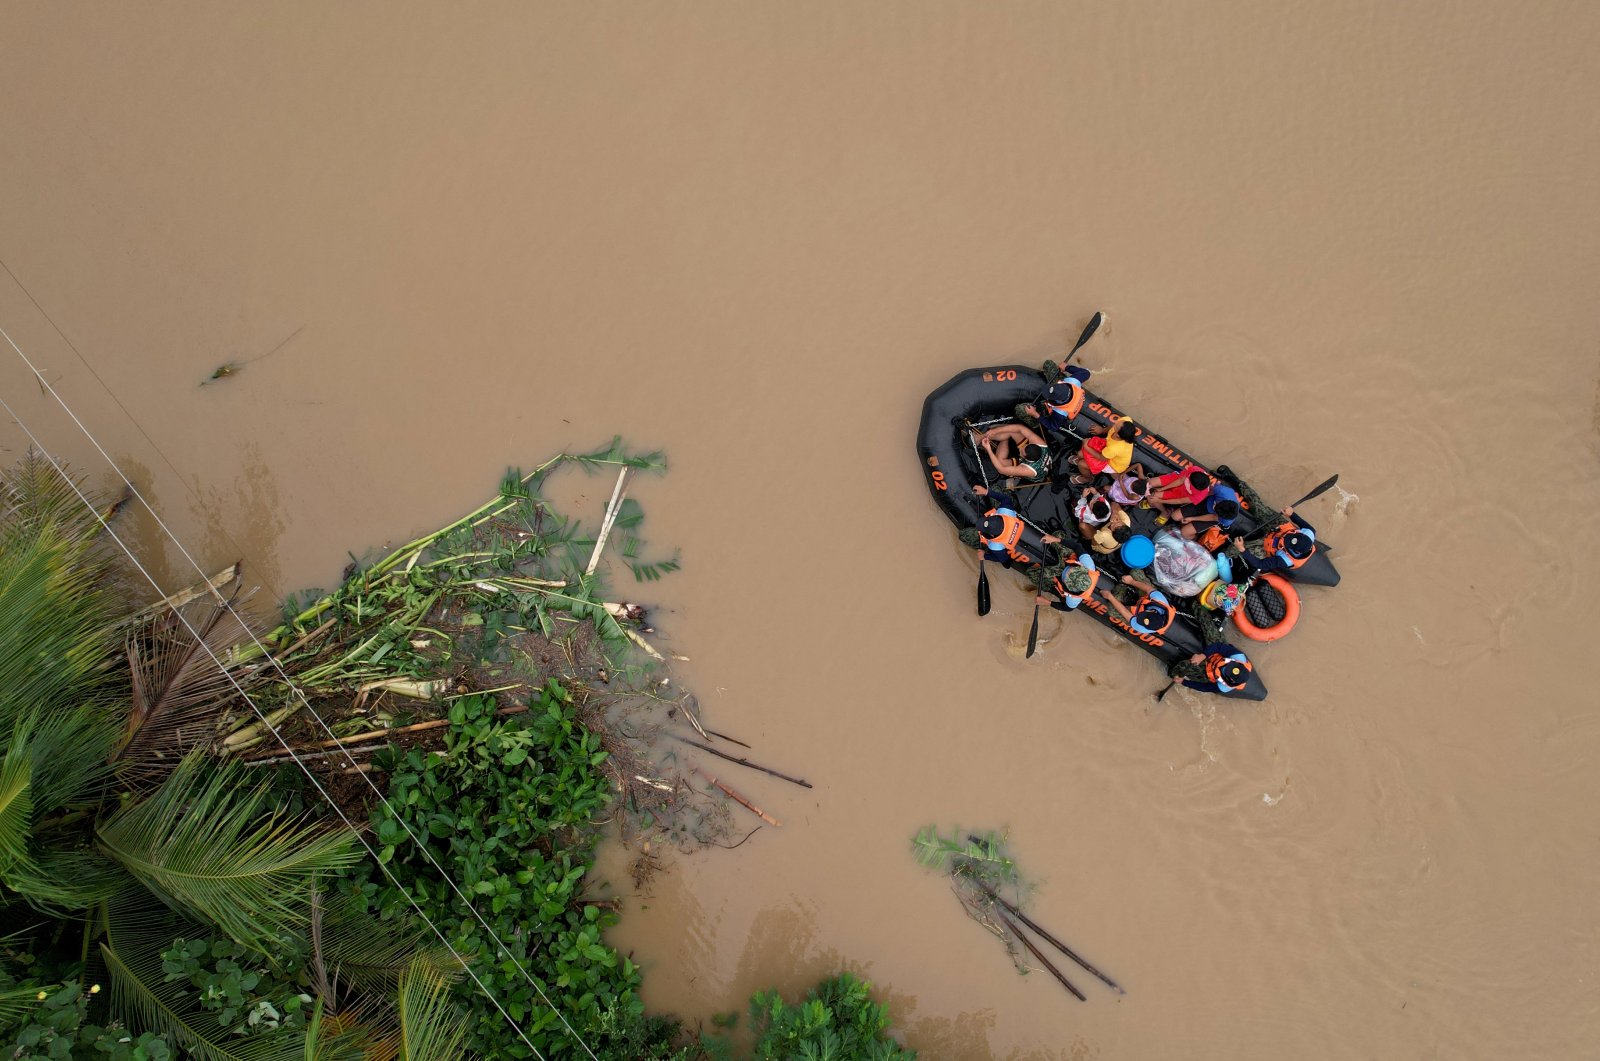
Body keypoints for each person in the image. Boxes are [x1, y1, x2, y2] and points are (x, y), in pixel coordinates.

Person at [969, 484, 1060, 565]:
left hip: (1009, 539)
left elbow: (1004, 560)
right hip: (1011, 525)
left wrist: (985, 556)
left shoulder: (995, 545)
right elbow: (1006, 499)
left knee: (964, 535)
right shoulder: (1006, 511)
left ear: (992, 535)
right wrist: (986, 492)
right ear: (996, 517)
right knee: (997, 491)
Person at [1227, 506, 1317, 574]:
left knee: (1233, 550)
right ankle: (1241, 486)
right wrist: (1292, 514)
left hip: (1269, 546)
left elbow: (1260, 564)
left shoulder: (1285, 560)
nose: (1287, 539)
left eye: (1288, 543)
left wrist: (1242, 549)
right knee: (1259, 508)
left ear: (1295, 551)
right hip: (1280, 530)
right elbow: (1301, 522)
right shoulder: (1310, 532)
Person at [1016, 366, 1091, 436]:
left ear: (1057, 401)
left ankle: (1035, 423)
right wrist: (1067, 367)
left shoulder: (1060, 413)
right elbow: (1086, 373)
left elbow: (1053, 427)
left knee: (1020, 409)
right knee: (1048, 364)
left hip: (1063, 407)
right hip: (1068, 395)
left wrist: (1035, 414)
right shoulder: (1073, 381)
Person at [1099, 573, 1176, 636]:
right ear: (1153, 611)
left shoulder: (1141, 627)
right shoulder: (1159, 600)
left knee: (1112, 610)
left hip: (1139, 607)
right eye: (1143, 615)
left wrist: (1110, 597)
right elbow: (1148, 589)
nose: (1140, 616)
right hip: (1146, 599)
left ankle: (1121, 588)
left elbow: (1124, 612)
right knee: (1136, 572)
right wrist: (1131, 582)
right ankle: (1127, 582)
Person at [1166, 643, 1254, 695]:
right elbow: (1219, 646)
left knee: (1183, 666)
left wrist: (1183, 682)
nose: (1226, 666)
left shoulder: (1223, 687)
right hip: (1214, 656)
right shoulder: (1238, 657)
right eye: (1230, 666)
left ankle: (1172, 674)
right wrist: (1202, 656)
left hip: (1207, 672)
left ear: (1229, 679)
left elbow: (1205, 687)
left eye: (1226, 670)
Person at [975, 423, 1051, 481]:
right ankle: (982, 437)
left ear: (1025, 458)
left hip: (1031, 469)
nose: (1020, 449)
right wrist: (995, 430)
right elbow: (1020, 428)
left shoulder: (1028, 470)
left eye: (1021, 451)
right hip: (1033, 459)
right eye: (1025, 446)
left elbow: (1001, 470)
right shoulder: (1040, 444)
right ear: (1033, 445)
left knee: (1000, 463)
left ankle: (1003, 439)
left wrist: (989, 449)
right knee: (1014, 432)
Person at [1072, 416, 1140, 480]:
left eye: (1116, 426)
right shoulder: (1126, 420)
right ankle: (1083, 459)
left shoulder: (1115, 448)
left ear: (1118, 435)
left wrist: (1086, 446)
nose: (1116, 422)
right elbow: (1112, 426)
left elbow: (1101, 457)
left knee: (1081, 464)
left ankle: (1087, 478)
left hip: (1113, 464)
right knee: (1080, 454)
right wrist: (1102, 430)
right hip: (1107, 451)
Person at [1169, 481, 1241, 537]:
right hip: (1205, 502)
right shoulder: (1221, 491)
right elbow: (1209, 491)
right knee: (1174, 516)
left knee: (1185, 533)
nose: (1213, 506)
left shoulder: (1227, 520)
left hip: (1210, 517)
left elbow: (1212, 517)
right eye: (1215, 505)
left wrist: (1192, 518)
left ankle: (1193, 538)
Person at [1035, 552, 1101, 611]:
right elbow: (1078, 547)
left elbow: (1068, 608)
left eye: (1070, 578)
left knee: (1033, 573)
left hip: (1059, 579)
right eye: (1074, 572)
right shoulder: (1089, 566)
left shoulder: (1073, 599)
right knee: (1065, 549)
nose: (1068, 573)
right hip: (1068, 563)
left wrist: (1047, 602)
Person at [1147, 465, 1213, 513]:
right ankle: (1156, 503)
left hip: (1179, 494)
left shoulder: (1200, 496)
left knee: (1153, 497)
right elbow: (1180, 480)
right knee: (1149, 483)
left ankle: (1164, 512)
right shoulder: (1195, 469)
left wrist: (1159, 501)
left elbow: (1179, 501)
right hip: (1175, 479)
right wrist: (1162, 489)